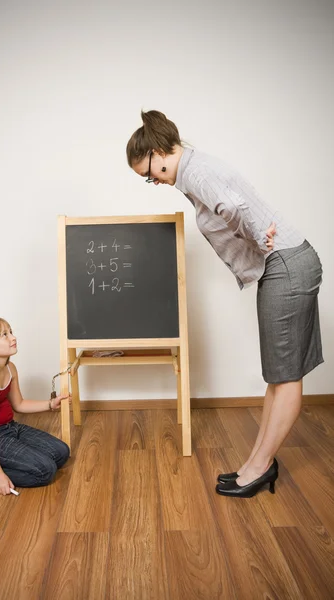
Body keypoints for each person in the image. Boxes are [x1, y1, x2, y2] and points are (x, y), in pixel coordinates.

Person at [126, 110, 323, 498]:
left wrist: (256, 240)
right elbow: (234, 207)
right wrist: (256, 240)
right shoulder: (194, 169)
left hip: (285, 264)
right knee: (278, 376)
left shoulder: (196, 173)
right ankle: (256, 463)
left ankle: (260, 467)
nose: (155, 181)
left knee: (285, 377)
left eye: (150, 174)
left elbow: (232, 208)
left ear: (158, 151)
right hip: (286, 263)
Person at [0, 317, 70, 495]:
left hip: (9, 428)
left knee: (62, 453)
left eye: (11, 332)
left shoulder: (11, 368)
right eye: (4, 335)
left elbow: (19, 404)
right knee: (46, 471)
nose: (13, 337)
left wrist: (49, 404)